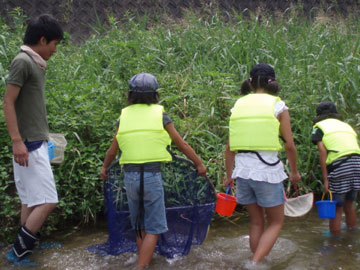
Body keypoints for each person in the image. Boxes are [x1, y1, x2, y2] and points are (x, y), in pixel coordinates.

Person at [100, 72, 206, 270]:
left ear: (130, 95)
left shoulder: (123, 117)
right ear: (155, 95)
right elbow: (180, 143)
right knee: (155, 227)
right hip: (151, 177)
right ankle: (142, 266)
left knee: (140, 224)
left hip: (130, 178)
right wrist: (199, 164)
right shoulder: (161, 115)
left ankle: (143, 260)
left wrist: (105, 168)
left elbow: (112, 150)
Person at [224, 63, 301, 264]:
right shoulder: (278, 106)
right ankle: (255, 263)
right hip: (266, 172)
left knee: (257, 221)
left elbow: (229, 147)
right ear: (272, 82)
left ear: (250, 82)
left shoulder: (238, 105)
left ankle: (257, 259)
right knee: (276, 221)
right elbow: (290, 146)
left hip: (242, 172)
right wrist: (294, 172)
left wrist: (228, 175)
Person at [2, 14, 63, 265]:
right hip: (28, 143)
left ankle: (27, 242)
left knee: (31, 200)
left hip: (35, 140)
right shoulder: (23, 62)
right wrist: (17, 141)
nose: (55, 50)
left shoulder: (34, 63)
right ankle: (18, 252)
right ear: (42, 39)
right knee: (49, 201)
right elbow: (8, 102)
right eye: (54, 44)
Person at [312, 101, 360, 235]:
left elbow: (322, 151)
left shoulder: (319, 127)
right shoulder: (346, 126)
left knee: (336, 207)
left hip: (340, 165)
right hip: (357, 163)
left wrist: (326, 179)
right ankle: (351, 234)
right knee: (349, 203)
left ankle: (335, 242)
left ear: (319, 115)